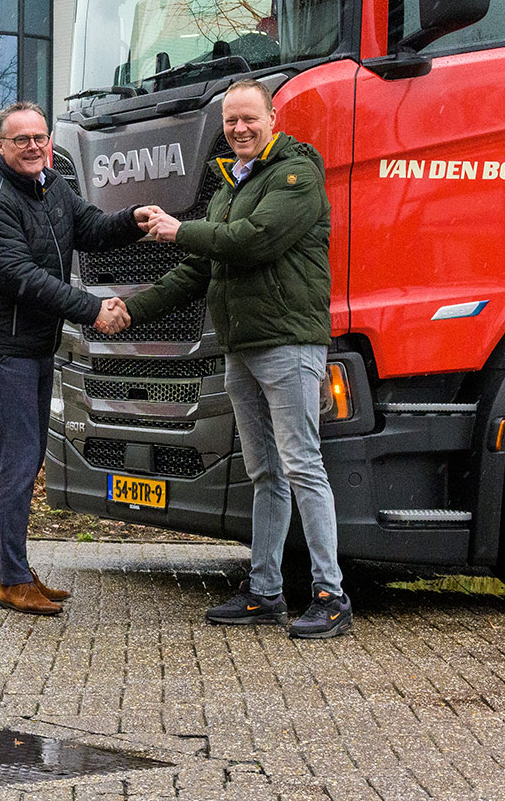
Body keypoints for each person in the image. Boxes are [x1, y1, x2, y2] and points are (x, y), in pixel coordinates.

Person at [125, 79, 349, 639]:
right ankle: (265, 591)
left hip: (288, 344)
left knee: (302, 466)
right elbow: (198, 271)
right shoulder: (231, 187)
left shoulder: (296, 176)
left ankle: (331, 595)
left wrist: (181, 229)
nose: (240, 128)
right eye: (231, 121)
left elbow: (253, 240)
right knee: (265, 473)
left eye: (250, 118)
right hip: (242, 348)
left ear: (273, 119)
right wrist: (128, 311)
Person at [0, 100, 144, 616]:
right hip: (6, 350)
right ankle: (14, 581)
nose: (33, 147)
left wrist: (134, 219)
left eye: (39, 138)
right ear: (0, 146)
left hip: (37, 346)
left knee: (26, 456)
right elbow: (24, 278)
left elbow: (94, 228)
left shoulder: (52, 187)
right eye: (21, 139)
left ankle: (5, 566)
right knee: (20, 462)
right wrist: (94, 310)